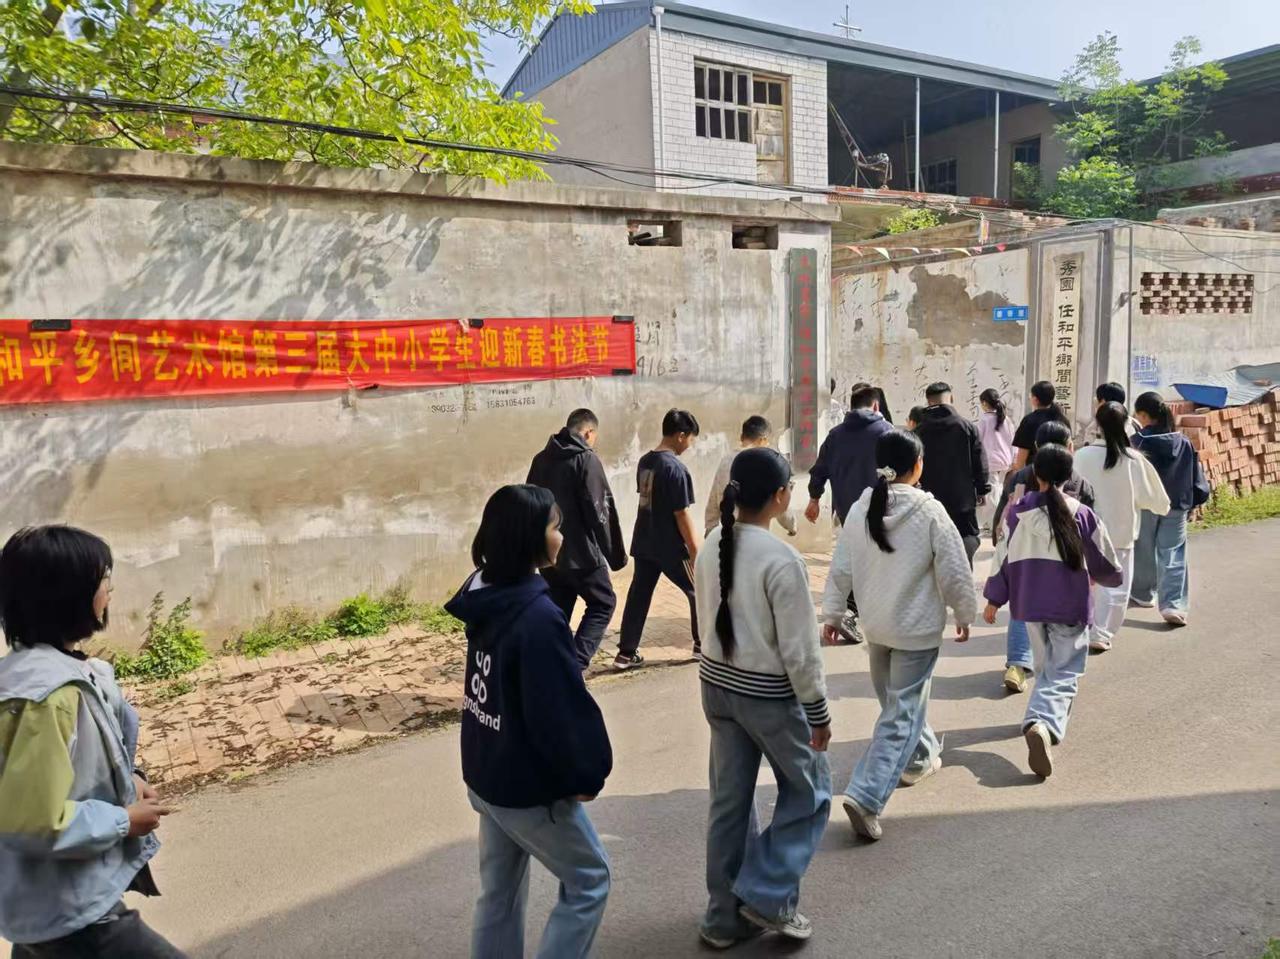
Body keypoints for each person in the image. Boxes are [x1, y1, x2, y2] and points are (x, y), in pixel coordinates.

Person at [0, 526, 184, 958]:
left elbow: (80, 765)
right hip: (70, 912)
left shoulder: (49, 672)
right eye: (102, 581)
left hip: (42, 903)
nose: (109, 591)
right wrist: (124, 820)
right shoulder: (47, 696)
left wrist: (131, 779)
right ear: (69, 596)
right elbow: (34, 820)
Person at [445, 485, 613, 959]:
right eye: (554, 526)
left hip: (487, 772)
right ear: (529, 539)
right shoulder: (536, 616)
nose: (561, 535)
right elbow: (557, 712)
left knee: (498, 891)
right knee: (590, 880)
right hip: (524, 786)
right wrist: (584, 774)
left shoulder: (486, 592)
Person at [695, 448, 831, 947]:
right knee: (812, 790)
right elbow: (801, 651)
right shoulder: (782, 559)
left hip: (716, 686)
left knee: (730, 803)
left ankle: (722, 919)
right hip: (767, 695)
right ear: (779, 497)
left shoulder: (712, 543)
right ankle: (768, 895)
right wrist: (818, 712)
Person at [822, 430, 976, 841]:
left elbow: (841, 567)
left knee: (897, 705)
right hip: (916, 630)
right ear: (917, 465)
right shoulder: (929, 511)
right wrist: (964, 612)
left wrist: (833, 614)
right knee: (900, 713)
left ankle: (920, 757)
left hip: (877, 626)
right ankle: (867, 795)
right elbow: (955, 569)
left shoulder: (860, 508)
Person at [983, 446, 1122, 778]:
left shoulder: (1017, 513)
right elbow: (1105, 561)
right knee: (1064, 674)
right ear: (1068, 476)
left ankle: (1044, 724)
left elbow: (1003, 558)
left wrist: (993, 599)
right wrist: (1109, 577)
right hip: (1070, 606)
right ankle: (1041, 724)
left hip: (1030, 605)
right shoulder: (1082, 514)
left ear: (1036, 475)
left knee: (1047, 670)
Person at [991, 420, 1097, 693]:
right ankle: (1050, 683)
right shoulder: (1077, 481)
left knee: (1022, 605)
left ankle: (1018, 664)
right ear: (1070, 448)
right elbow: (1091, 523)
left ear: (1036, 447)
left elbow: (1006, 509)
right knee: (1058, 626)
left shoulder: (1021, 477)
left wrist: (998, 534)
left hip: (1024, 555)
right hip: (1065, 562)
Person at [527, 408, 628, 669]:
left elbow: (529, 503)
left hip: (549, 555)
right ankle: (575, 663)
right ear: (588, 432)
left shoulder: (541, 459)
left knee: (559, 609)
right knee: (603, 603)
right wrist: (616, 555)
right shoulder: (586, 459)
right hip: (582, 553)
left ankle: (547, 663)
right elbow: (601, 509)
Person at [1074, 402, 1170, 652]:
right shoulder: (1133, 460)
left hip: (1085, 532)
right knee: (1116, 587)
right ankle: (1102, 632)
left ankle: (1085, 626)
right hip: (1121, 530)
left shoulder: (1081, 456)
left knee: (1087, 581)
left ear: (1097, 425)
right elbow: (1156, 500)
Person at [805, 383, 894, 644]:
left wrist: (814, 498)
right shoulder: (886, 432)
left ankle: (852, 610)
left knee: (856, 557)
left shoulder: (835, 435)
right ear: (876, 405)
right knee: (879, 558)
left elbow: (819, 470)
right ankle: (856, 611)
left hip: (848, 509)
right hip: (882, 507)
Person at [617, 408, 701, 669]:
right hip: (671, 546)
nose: (690, 445)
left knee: (639, 594)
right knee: (699, 590)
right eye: (690, 439)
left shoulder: (646, 461)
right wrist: (695, 548)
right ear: (680, 435)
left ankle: (625, 653)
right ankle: (704, 645)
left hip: (644, 541)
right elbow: (681, 513)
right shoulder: (675, 468)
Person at [1131, 392, 1211, 627]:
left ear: (1144, 415)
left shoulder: (1138, 442)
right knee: (1173, 554)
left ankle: (1144, 594)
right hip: (1176, 506)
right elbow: (1195, 477)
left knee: (1143, 549)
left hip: (1146, 505)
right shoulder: (1183, 442)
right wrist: (1194, 502)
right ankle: (1173, 605)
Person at [914, 382, 990, 565]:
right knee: (966, 539)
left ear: (928, 401)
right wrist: (982, 489)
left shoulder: (918, 431)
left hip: (928, 499)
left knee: (929, 546)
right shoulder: (966, 427)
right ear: (952, 398)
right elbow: (980, 462)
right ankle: (961, 578)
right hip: (962, 500)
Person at [706, 416, 798, 537]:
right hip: (755, 532)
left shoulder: (726, 461)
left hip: (727, 534)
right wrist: (792, 526)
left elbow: (714, 498)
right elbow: (779, 500)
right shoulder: (765, 464)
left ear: (741, 437)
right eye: (767, 441)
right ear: (762, 440)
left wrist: (710, 528)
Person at [977, 388, 1015, 534]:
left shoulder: (985, 420)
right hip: (1006, 461)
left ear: (985, 403)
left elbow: (978, 441)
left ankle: (995, 522)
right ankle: (994, 521)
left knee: (992, 493)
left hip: (990, 462)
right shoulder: (1006, 420)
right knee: (997, 489)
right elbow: (1013, 440)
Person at [1011, 380, 1070, 469]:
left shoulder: (1029, 421)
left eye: (1031, 396)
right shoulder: (1063, 420)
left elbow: (1022, 456)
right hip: (1060, 473)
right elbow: (1069, 449)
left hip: (1037, 473)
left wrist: (1015, 467)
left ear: (1035, 399)